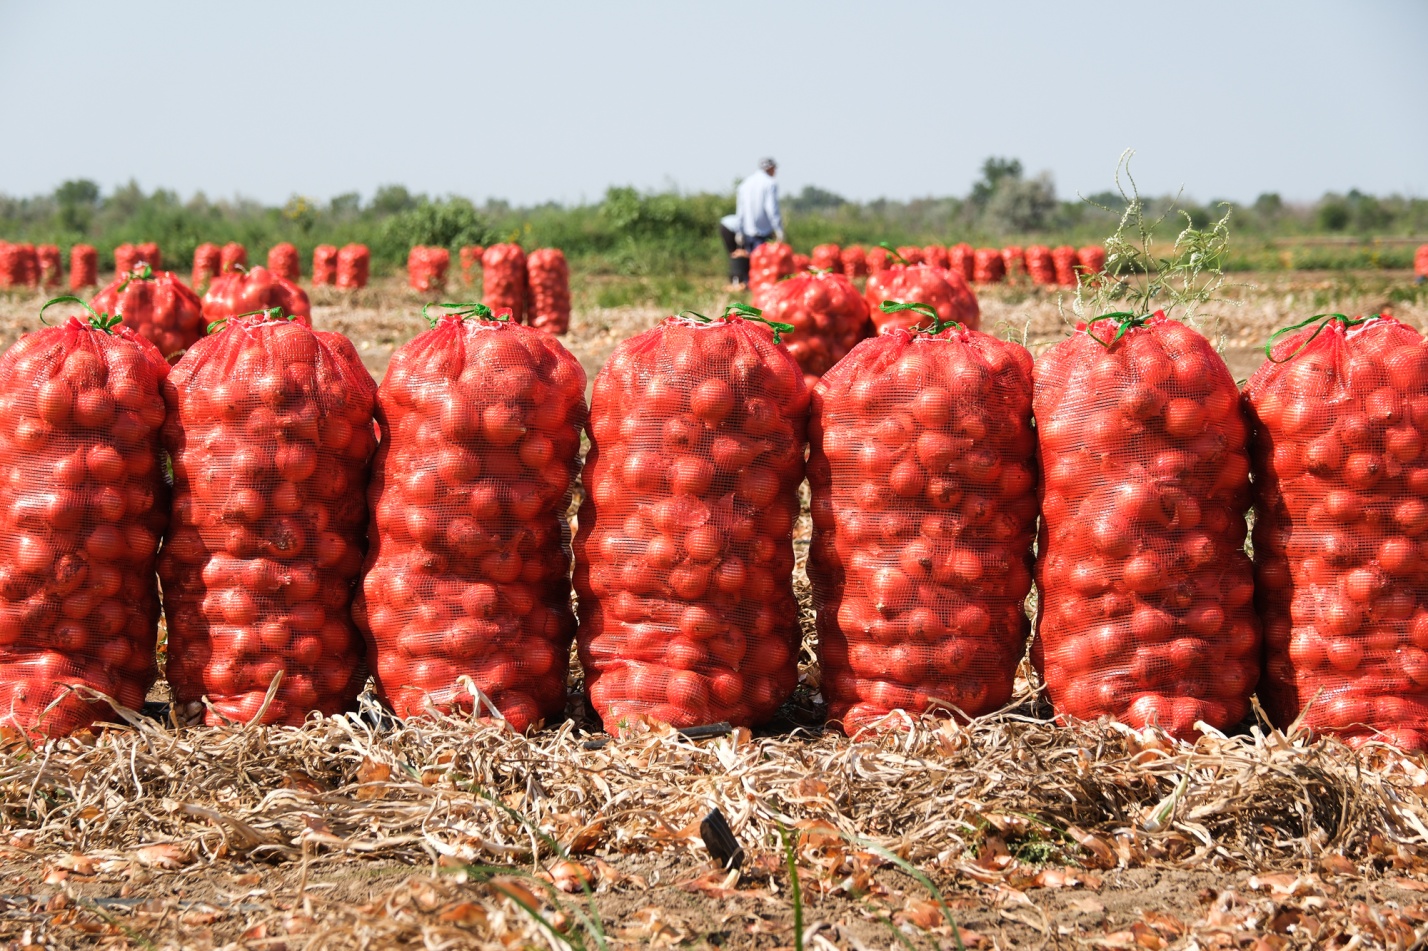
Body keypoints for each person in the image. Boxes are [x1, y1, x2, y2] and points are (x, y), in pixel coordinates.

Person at [735, 157, 784, 253]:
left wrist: (739, 231)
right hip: (763, 233)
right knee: (762, 264)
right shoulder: (770, 183)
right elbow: (772, 209)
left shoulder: (745, 183)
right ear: (770, 168)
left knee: (753, 264)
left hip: (747, 232)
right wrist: (778, 229)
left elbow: (740, 211)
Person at [719, 211, 749, 289]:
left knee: (736, 253)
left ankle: (737, 280)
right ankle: (736, 281)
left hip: (724, 224)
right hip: (729, 228)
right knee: (736, 253)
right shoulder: (751, 223)